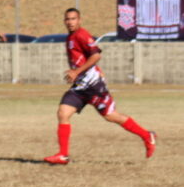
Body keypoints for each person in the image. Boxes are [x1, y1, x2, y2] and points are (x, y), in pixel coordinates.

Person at [44, 8, 156, 165]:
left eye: (73, 19)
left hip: (94, 87)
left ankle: (146, 135)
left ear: (79, 20)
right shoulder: (70, 37)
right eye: (68, 19)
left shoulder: (82, 34)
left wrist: (77, 71)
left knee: (111, 116)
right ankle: (63, 155)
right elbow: (87, 58)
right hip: (80, 87)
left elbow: (96, 55)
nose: (70, 22)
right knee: (63, 113)